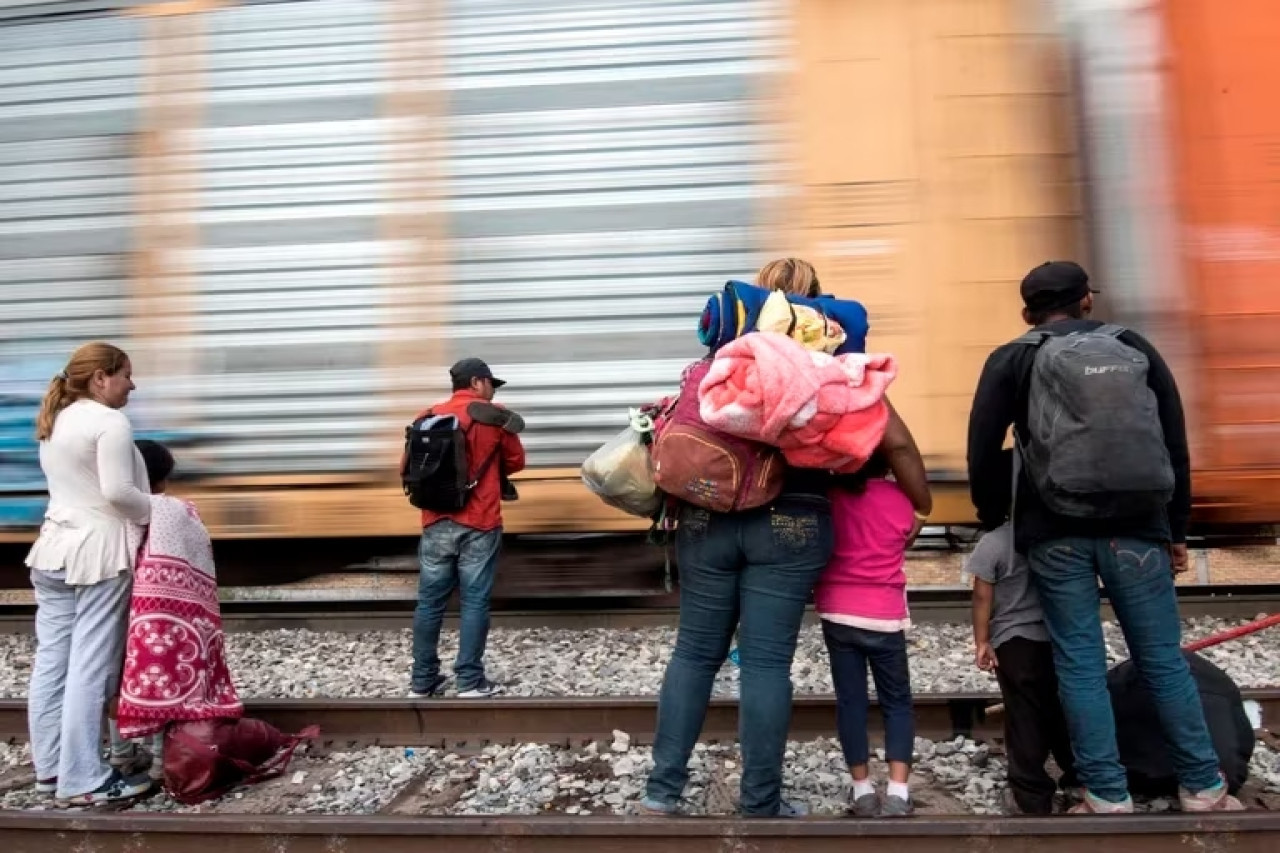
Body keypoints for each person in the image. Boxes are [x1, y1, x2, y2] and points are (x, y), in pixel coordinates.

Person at [640, 259, 931, 818]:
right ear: (818, 307)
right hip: (790, 523)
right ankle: (760, 801)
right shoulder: (830, 364)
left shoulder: (721, 358)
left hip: (707, 520)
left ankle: (661, 791)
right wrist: (920, 503)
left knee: (695, 655)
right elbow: (897, 444)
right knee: (767, 663)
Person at [966, 260, 1243, 813]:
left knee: (1079, 662)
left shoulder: (1014, 356)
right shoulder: (1133, 346)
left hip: (1054, 534)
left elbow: (981, 449)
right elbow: (1173, 441)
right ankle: (1203, 787)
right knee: (1163, 658)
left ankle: (1106, 793)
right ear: (1087, 301)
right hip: (1138, 530)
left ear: (1027, 313)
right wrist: (1176, 529)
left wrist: (998, 516)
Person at [24, 342, 154, 804]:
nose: (132, 385)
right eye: (126, 375)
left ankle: (51, 770)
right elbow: (119, 493)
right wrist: (161, 509)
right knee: (90, 667)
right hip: (98, 553)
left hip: (53, 550)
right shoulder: (108, 420)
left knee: (53, 665)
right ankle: (83, 780)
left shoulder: (57, 419)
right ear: (101, 377)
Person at [108, 439, 242, 780]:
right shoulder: (175, 510)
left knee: (120, 678)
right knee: (161, 677)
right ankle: (157, 762)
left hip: (118, 603)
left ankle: (120, 755)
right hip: (165, 617)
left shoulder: (112, 512)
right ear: (163, 478)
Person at [816, 450, 931, 817]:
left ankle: (862, 791)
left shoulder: (830, 498)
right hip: (884, 616)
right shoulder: (901, 500)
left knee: (851, 702)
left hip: (838, 612)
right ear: (888, 464)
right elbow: (905, 537)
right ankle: (898, 793)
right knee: (897, 702)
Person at [405, 358, 525, 699]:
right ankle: (469, 682)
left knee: (429, 604)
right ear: (476, 382)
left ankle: (422, 681)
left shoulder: (426, 417)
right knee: (474, 601)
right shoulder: (494, 416)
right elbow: (517, 462)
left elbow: (407, 469)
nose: (492, 391)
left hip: (436, 522)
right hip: (480, 521)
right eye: (490, 383)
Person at [968, 521, 1078, 814]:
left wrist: (981, 640)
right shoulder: (1060, 535)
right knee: (1066, 711)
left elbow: (982, 595)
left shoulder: (995, 541)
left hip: (1015, 642)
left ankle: (1031, 795)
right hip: (1060, 638)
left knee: (1024, 715)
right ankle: (1080, 783)